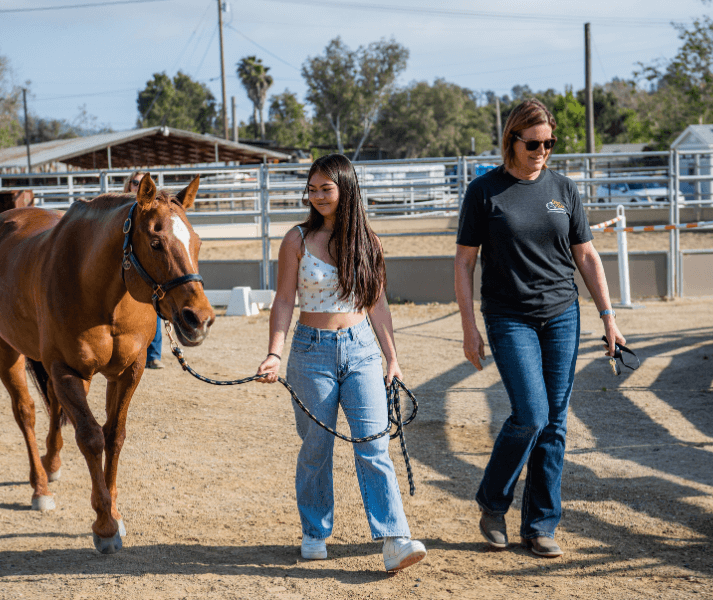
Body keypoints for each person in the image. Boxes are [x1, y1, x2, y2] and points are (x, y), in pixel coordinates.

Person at [455, 98, 626, 558]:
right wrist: (469, 327)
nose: (542, 152)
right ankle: (493, 503)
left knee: (555, 423)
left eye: (549, 143)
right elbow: (464, 262)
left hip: (562, 315)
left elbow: (586, 255)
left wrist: (609, 317)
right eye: (533, 144)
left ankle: (540, 524)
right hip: (508, 316)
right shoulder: (484, 191)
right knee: (531, 414)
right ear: (512, 140)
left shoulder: (564, 189)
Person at [256, 154, 427, 573]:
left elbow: (378, 304)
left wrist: (392, 359)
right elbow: (284, 300)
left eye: (325, 189)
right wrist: (274, 352)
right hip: (310, 350)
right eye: (312, 189)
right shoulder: (296, 240)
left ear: (346, 189)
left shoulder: (369, 241)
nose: (317, 196)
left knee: (374, 444)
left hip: (362, 349)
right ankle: (315, 531)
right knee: (316, 446)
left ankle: (394, 539)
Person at [124, 170, 164, 369]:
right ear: (128, 185)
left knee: (152, 306)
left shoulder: (153, 210)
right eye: (135, 182)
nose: (138, 186)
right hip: (125, 266)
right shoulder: (120, 209)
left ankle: (153, 355)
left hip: (143, 267)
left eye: (143, 183)